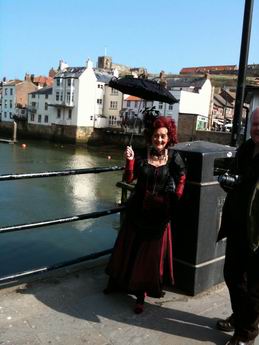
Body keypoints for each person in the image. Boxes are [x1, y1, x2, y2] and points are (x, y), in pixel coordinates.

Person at [104, 110, 186, 314]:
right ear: (151, 136)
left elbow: (181, 181)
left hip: (159, 214)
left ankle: (141, 295)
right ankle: (118, 283)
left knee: (149, 257)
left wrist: (173, 202)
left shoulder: (175, 157)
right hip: (138, 209)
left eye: (163, 136)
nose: (159, 139)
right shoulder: (141, 155)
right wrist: (130, 160)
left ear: (169, 138)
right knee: (129, 248)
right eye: (156, 135)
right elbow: (129, 178)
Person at [216, 107, 259, 345]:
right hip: (236, 226)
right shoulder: (246, 149)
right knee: (233, 275)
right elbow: (235, 175)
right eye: (255, 124)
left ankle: (246, 333)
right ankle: (240, 316)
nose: (257, 129)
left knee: (254, 289)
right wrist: (228, 181)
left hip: (258, 234)